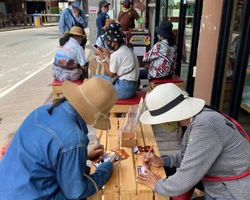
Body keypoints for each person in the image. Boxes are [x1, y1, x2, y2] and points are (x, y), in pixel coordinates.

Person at [0, 77, 118, 200]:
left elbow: (43, 155)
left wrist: (84, 155)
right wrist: (105, 170)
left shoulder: (41, 111)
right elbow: (76, 192)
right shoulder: (74, 139)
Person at [136, 83, 250, 200]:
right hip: (223, 182)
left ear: (169, 117)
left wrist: (157, 184)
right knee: (168, 169)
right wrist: (162, 161)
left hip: (235, 192)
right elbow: (187, 158)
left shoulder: (204, 127)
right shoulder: (200, 117)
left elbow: (184, 180)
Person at [95, 23, 140, 99]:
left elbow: (111, 74)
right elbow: (114, 67)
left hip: (124, 89)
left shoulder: (117, 54)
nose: (107, 43)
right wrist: (108, 55)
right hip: (132, 85)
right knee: (96, 78)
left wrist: (102, 57)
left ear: (113, 42)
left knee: (95, 81)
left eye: (108, 41)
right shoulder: (127, 49)